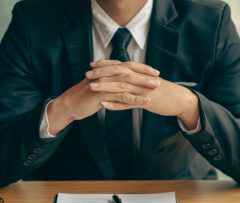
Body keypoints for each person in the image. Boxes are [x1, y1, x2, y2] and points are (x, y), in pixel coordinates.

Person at [0, 0, 240, 187]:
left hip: (181, 196)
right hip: (60, 201)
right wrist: (61, 110)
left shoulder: (212, 22)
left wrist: (190, 106)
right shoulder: (31, 21)